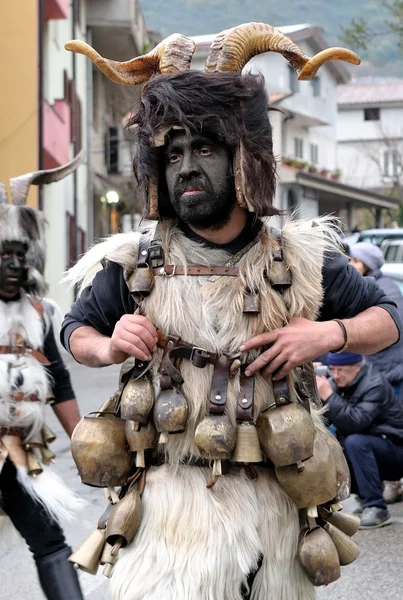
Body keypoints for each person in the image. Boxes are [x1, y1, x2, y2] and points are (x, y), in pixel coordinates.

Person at [62, 24, 400, 600]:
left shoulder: (301, 256)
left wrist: (327, 334)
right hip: (168, 508)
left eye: (204, 148)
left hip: (271, 504)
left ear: (242, 154)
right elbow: (76, 330)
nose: (186, 167)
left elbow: (392, 315)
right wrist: (109, 344)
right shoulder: (134, 261)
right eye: (173, 154)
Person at [0, 154, 86, 599]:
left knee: (50, 543)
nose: (13, 264)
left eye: (20, 254)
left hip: (23, 451)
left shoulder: (38, 314)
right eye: (3, 254)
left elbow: (60, 382)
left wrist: (84, 442)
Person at [316, 352, 403, 529]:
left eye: (342, 370)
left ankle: (376, 507)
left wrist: (330, 396)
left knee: (355, 442)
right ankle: (358, 500)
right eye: (332, 370)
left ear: (358, 367)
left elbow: (355, 423)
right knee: (332, 442)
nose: (336, 375)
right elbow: (322, 422)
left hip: (395, 451)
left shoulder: (375, 384)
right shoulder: (338, 383)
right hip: (372, 448)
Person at [350, 241, 403, 504]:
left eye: (355, 261)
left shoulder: (384, 288)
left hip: (392, 375)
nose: (350, 265)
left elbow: (387, 334)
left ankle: (393, 483)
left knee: (392, 430)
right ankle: (388, 483)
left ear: (367, 264)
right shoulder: (371, 285)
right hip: (381, 373)